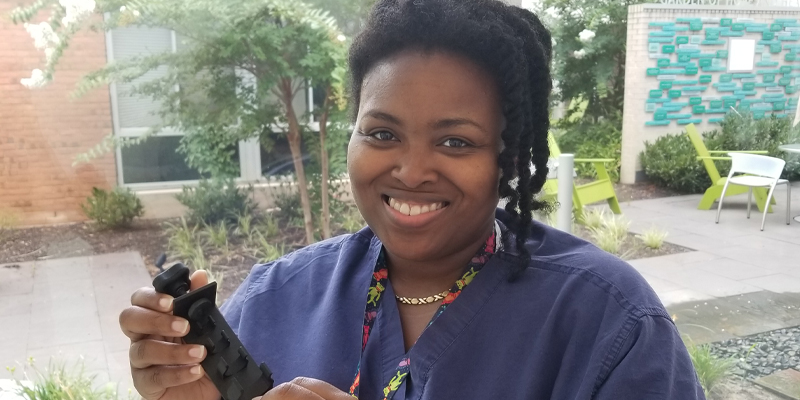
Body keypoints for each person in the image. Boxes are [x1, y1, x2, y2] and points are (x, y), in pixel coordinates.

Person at [118, 0, 705, 398]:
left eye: (455, 140)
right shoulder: (276, 298)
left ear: (509, 155)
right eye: (381, 133)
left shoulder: (608, 322)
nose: (412, 169)